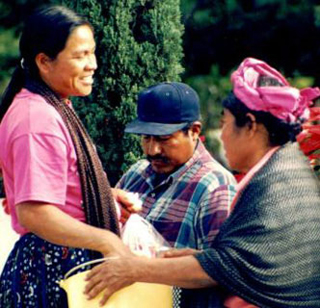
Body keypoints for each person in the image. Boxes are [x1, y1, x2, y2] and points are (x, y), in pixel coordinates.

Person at [85, 58, 320, 308]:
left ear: (250, 126)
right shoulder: (277, 173)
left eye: (225, 124)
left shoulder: (258, 186)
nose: (223, 136)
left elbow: (221, 270)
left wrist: (136, 268)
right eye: (146, 138)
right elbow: (236, 260)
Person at [0, 5, 132, 308]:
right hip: (54, 271)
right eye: (80, 55)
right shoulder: (37, 119)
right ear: (44, 62)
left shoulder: (48, 106)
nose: (93, 65)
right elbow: (35, 212)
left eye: (92, 53)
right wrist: (106, 240)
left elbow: (53, 188)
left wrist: (105, 197)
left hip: (60, 263)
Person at [115, 81, 237, 307]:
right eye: (146, 138)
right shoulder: (136, 174)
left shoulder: (215, 187)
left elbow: (222, 271)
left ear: (194, 131)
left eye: (163, 139)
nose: (152, 150)